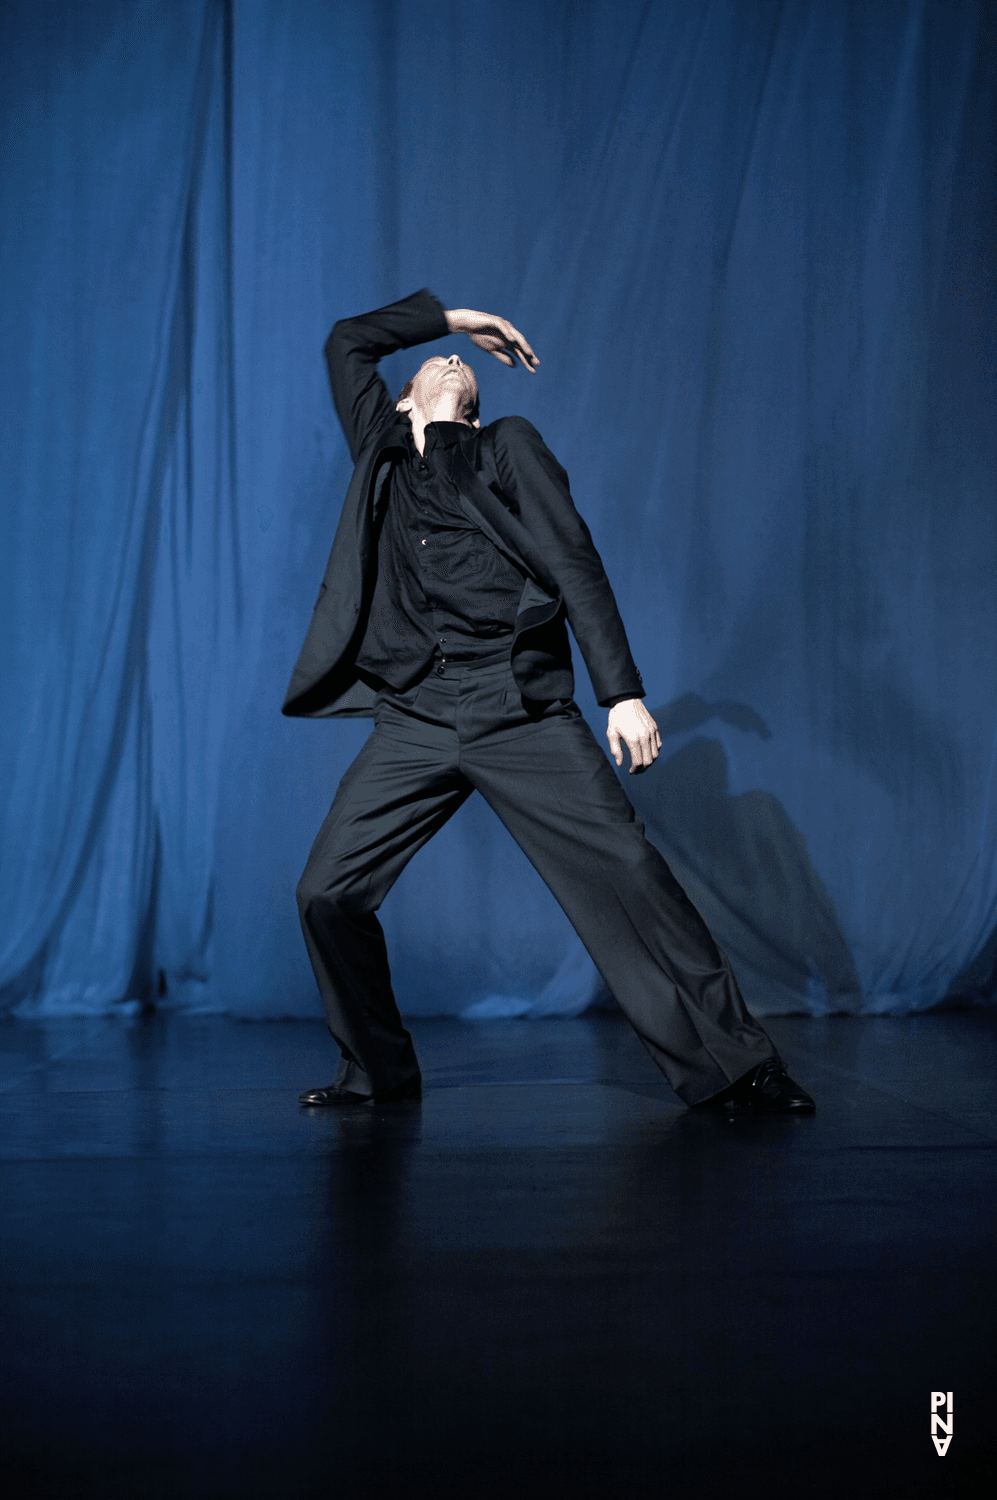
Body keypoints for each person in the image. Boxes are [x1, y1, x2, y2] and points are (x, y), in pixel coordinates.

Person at [283, 289, 815, 1114]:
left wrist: (622, 694)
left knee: (630, 872)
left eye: (462, 367)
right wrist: (454, 320)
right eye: (434, 363)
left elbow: (573, 559)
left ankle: (739, 1065)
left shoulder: (504, 447)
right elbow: (348, 339)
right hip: (416, 717)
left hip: (515, 707)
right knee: (325, 892)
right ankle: (377, 1068)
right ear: (399, 398)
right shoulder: (379, 451)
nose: (453, 365)